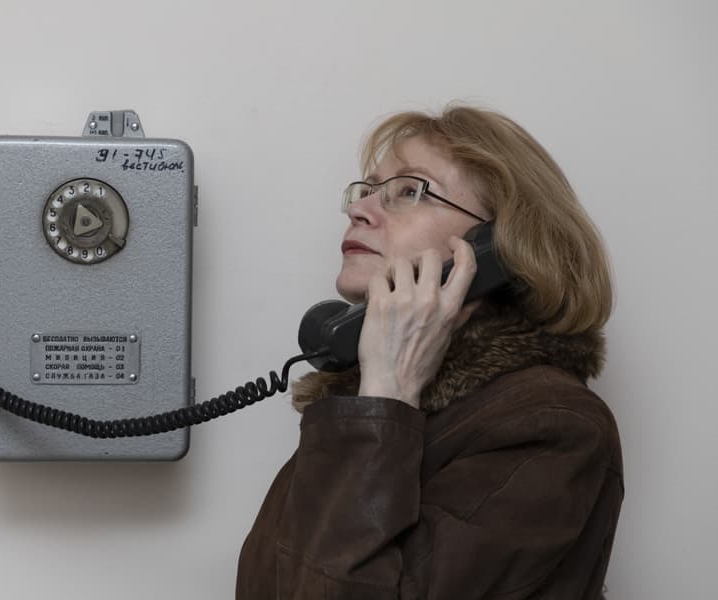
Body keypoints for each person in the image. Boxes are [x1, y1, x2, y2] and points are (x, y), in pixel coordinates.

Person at [235, 105, 623, 599]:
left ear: (497, 248)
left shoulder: (552, 426)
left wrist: (386, 396)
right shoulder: (363, 406)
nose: (360, 209)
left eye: (408, 191)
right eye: (368, 189)